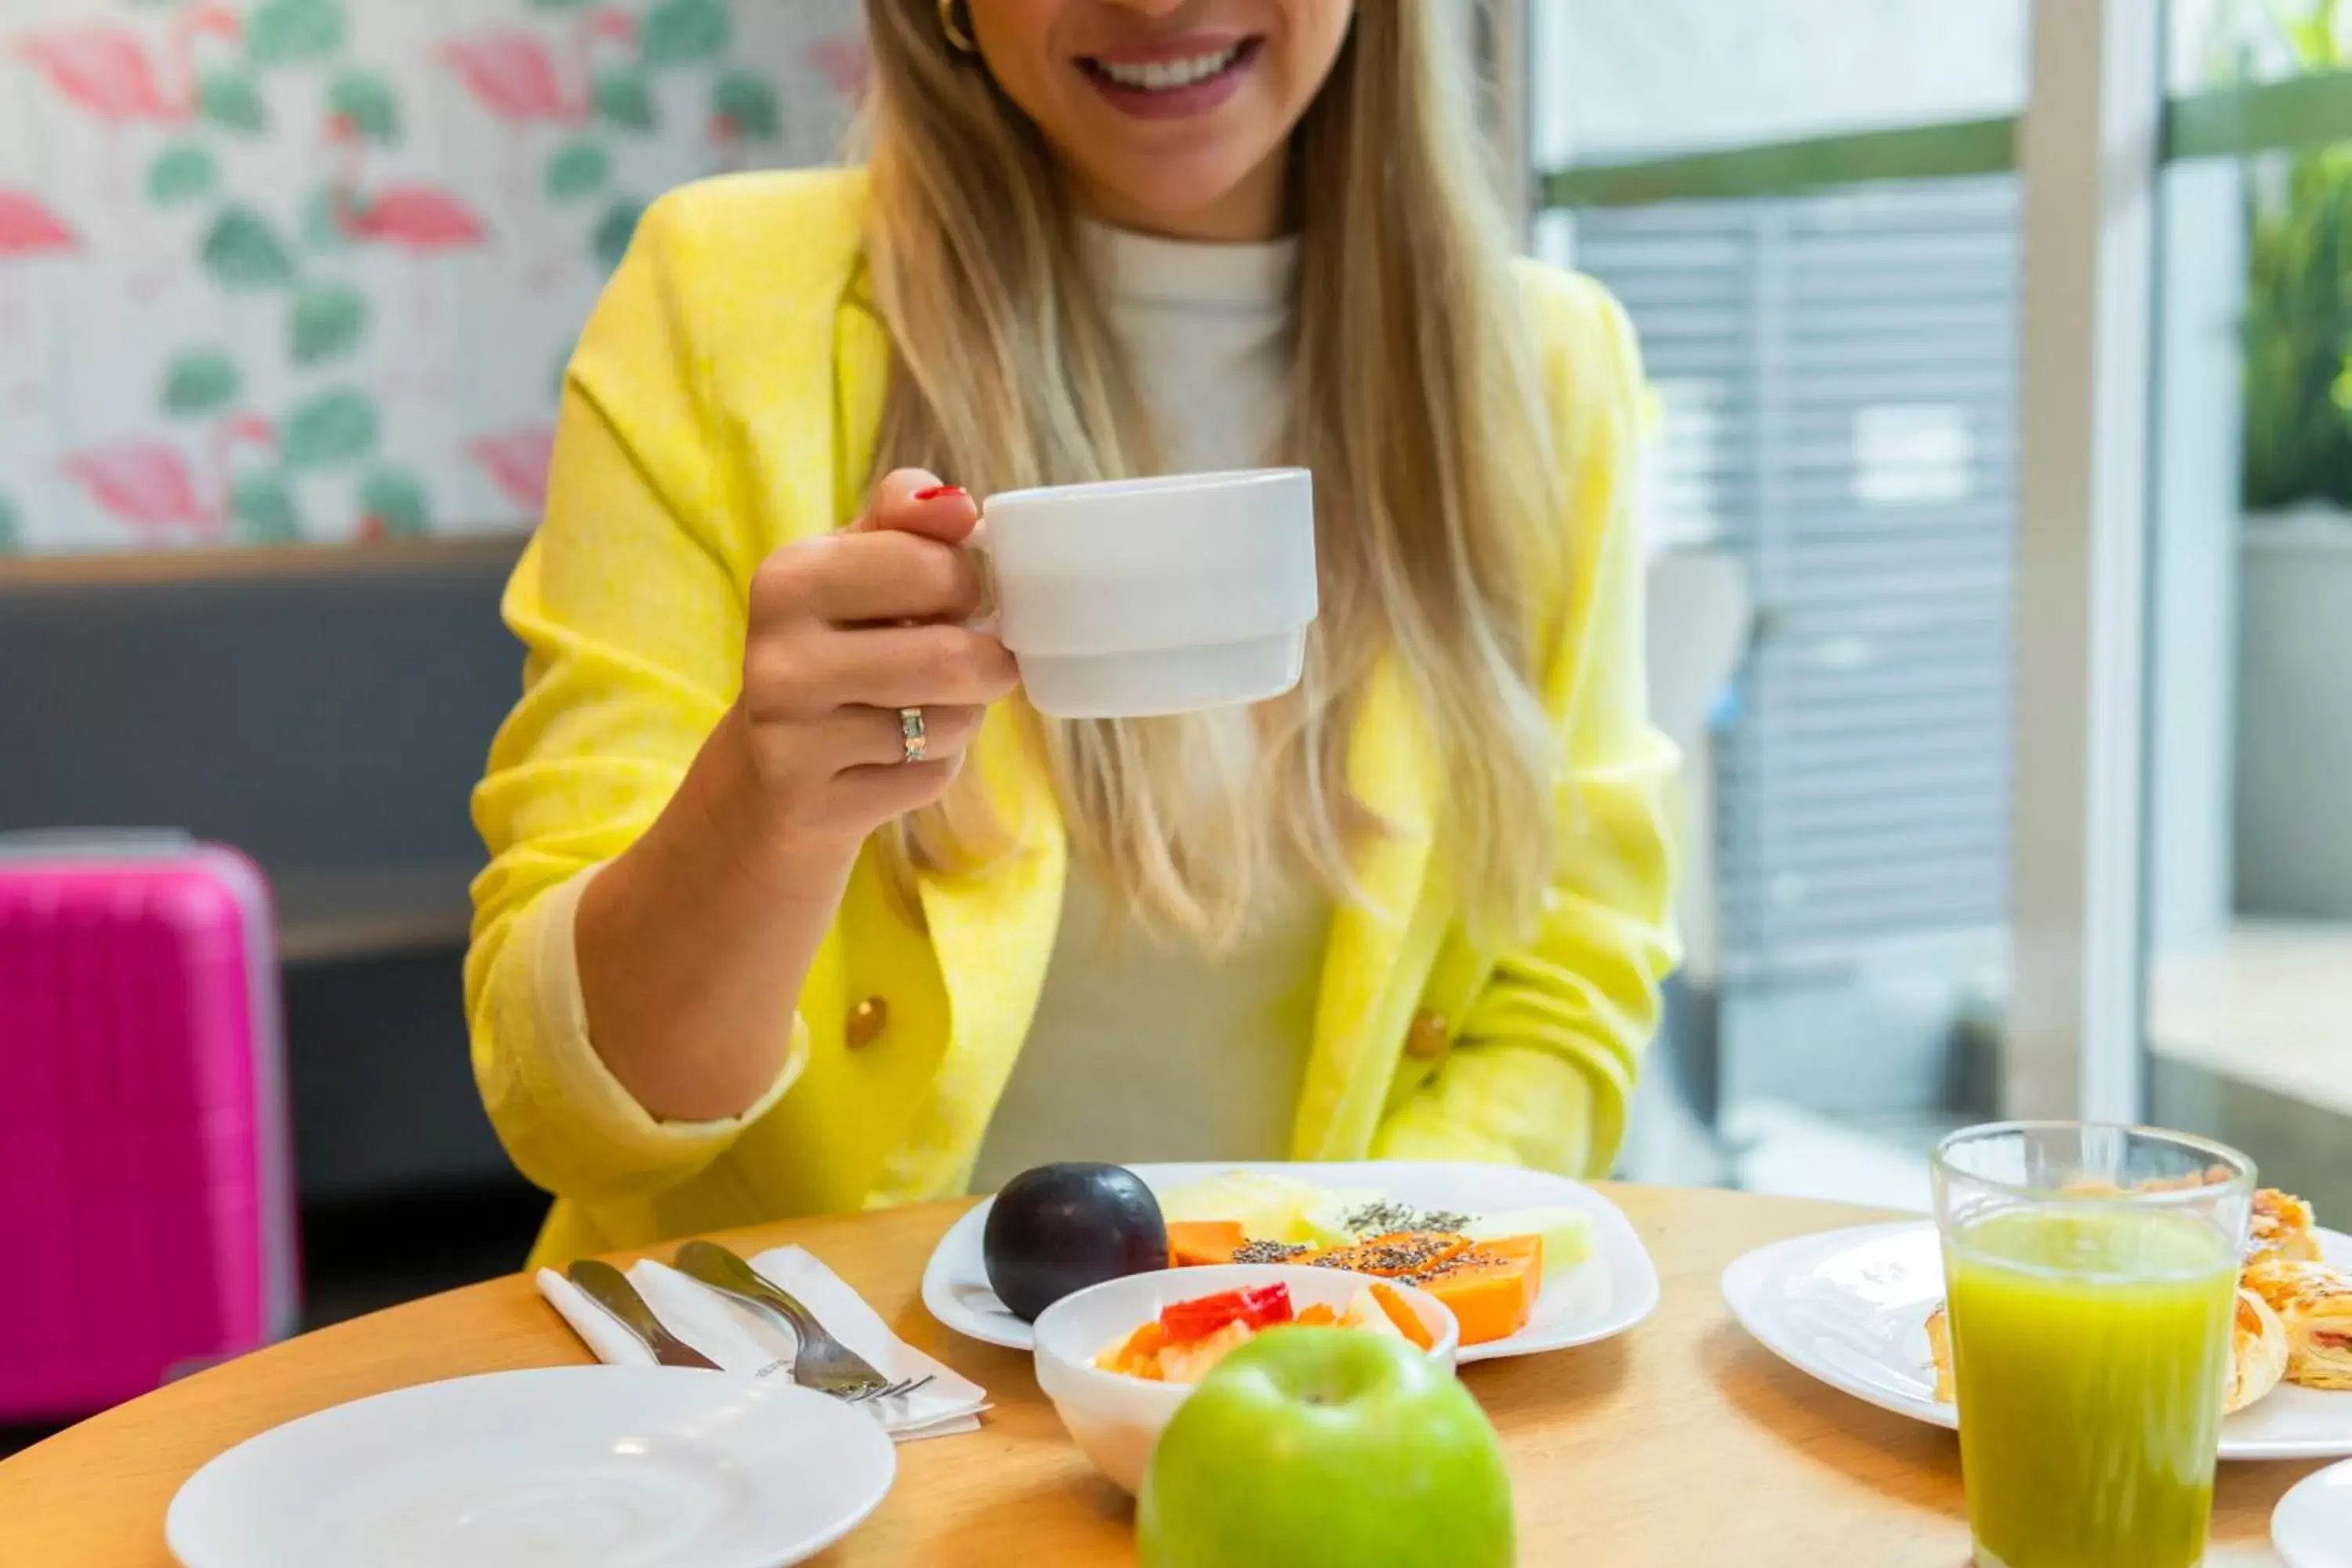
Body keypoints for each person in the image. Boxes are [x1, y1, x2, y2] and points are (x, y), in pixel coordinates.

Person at [466, 0, 1679, 1267]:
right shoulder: (723, 300)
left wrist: (1316, 1287)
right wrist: (762, 818)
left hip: (1303, 1381)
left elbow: (1568, 983)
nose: (1155, 5)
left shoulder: (1544, 366)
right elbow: (569, 1118)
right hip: (801, 1389)